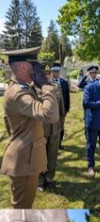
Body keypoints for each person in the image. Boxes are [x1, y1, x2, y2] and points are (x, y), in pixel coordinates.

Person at [1, 47, 58, 208]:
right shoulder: (19, 93)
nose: (38, 69)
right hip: (25, 160)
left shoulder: (23, 88)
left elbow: (8, 123)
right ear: (24, 67)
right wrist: (46, 86)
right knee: (21, 208)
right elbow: (50, 115)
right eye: (35, 65)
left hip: (27, 156)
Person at [38, 63, 64, 192]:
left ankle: (49, 178)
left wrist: (61, 123)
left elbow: (61, 107)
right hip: (41, 128)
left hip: (55, 127)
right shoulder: (35, 89)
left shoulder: (57, 87)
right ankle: (39, 180)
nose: (48, 76)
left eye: (49, 73)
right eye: (45, 74)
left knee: (53, 154)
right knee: (40, 154)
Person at [51, 63, 70, 149]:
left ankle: (59, 144)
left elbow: (67, 96)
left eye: (58, 71)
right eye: (54, 71)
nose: (56, 73)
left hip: (62, 109)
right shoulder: (48, 82)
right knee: (51, 127)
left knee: (61, 126)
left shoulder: (64, 82)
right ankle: (51, 144)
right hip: (51, 109)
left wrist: (67, 108)